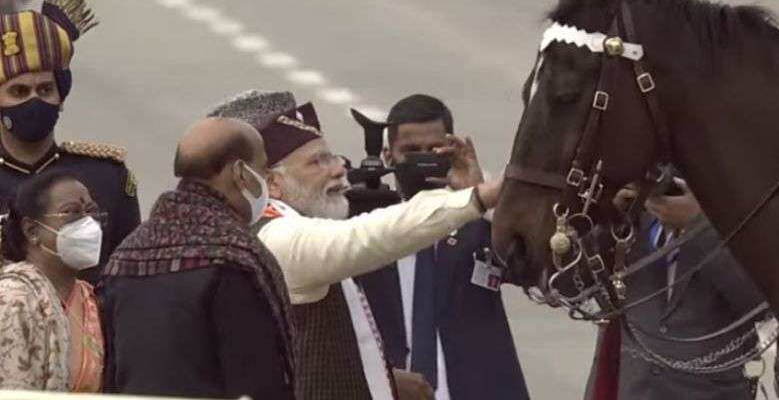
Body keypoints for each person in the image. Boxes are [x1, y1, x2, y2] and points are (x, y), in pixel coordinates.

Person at [209, 91, 502, 400]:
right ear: (273, 184)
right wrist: (478, 197)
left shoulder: (278, 224)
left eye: (331, 156)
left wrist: (379, 375)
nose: (338, 169)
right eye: (317, 162)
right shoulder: (273, 238)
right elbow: (365, 238)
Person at [98, 117, 293, 400]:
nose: (267, 179)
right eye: (263, 168)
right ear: (241, 173)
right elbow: (257, 378)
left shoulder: (125, 256)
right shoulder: (234, 258)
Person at [355, 94, 529, 400]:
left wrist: (479, 197)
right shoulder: (365, 229)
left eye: (435, 150)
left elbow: (538, 265)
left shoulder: (478, 225)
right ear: (386, 156)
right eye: (411, 151)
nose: (424, 160)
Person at [0, 0, 141, 283]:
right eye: (19, 91)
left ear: (60, 97)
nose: (34, 100)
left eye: (45, 89)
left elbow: (130, 278)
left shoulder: (106, 176)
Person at [584, 178, 768, 400]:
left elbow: (760, 304)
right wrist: (607, 220)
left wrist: (697, 226)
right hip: (629, 388)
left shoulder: (741, 209)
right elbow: (578, 286)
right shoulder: (633, 211)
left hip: (710, 392)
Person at [0, 170, 105, 392]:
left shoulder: (90, 298)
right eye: (72, 213)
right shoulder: (13, 298)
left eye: (92, 212)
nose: (89, 225)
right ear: (32, 230)